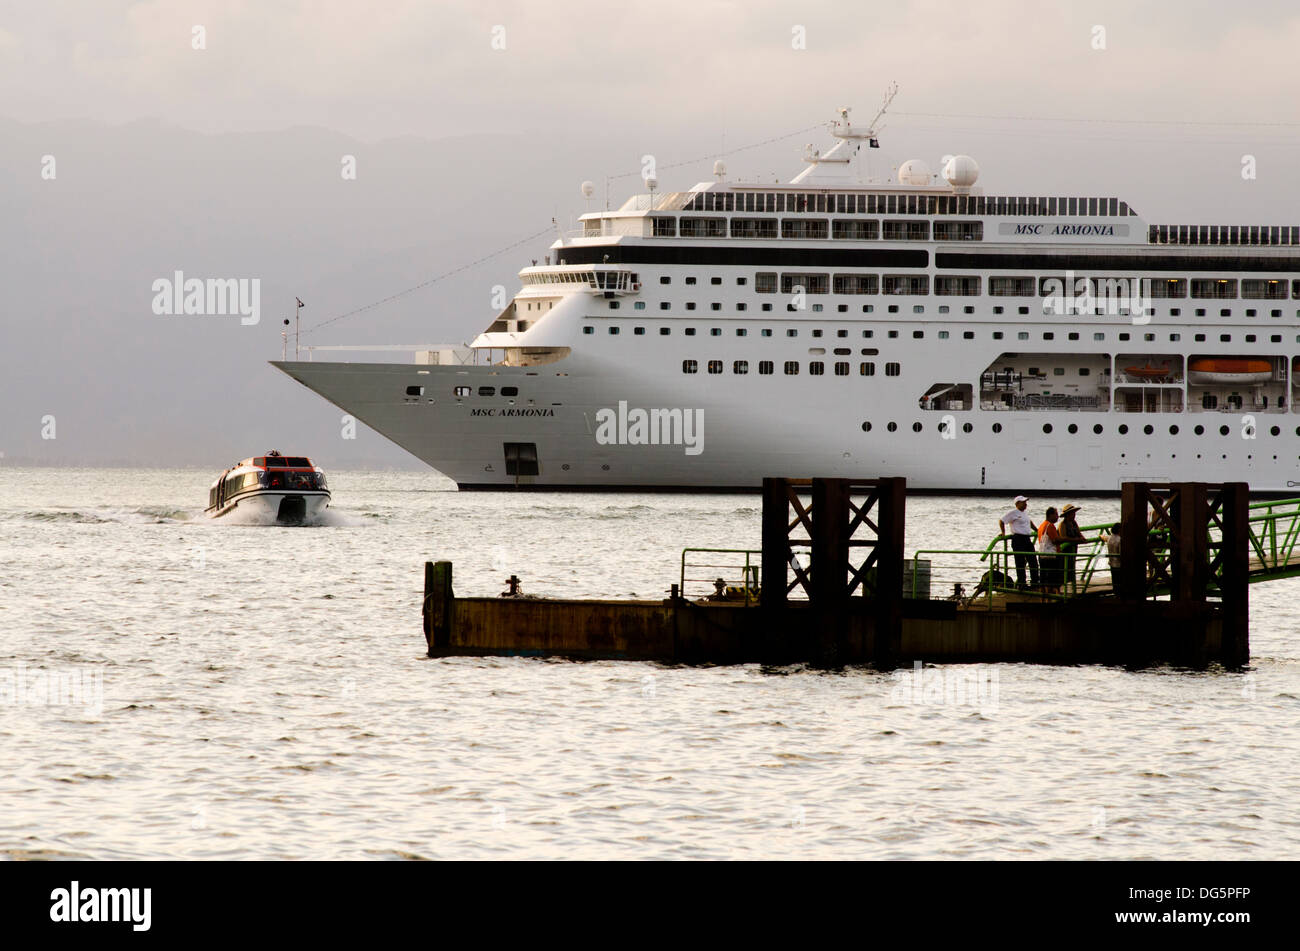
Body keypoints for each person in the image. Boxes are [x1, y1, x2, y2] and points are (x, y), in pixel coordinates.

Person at [998, 494, 1039, 590]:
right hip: (1018, 539)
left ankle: (1035, 582)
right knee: (1020, 562)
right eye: (1024, 502)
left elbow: (1030, 522)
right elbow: (1002, 521)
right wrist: (1003, 532)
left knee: (1033, 561)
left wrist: (1037, 530)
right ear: (1018, 503)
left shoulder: (1024, 513)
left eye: (1026, 502)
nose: (1025, 504)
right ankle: (1022, 583)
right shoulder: (1013, 513)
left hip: (1027, 539)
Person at [1058, 503, 1088, 590]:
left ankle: (1071, 587)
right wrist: (1077, 540)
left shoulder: (1074, 523)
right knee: (1064, 568)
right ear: (1067, 515)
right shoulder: (1062, 524)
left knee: (1072, 568)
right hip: (1065, 550)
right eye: (1072, 513)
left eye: (1074, 513)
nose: (1074, 515)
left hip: (1073, 549)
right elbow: (1063, 537)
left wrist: (1082, 538)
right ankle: (1062, 589)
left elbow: (1079, 532)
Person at [1036, 507, 1063, 594]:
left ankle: (1044, 597)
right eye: (1056, 514)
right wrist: (1065, 539)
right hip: (1050, 556)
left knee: (1044, 577)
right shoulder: (1050, 525)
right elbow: (1055, 540)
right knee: (1053, 577)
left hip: (1042, 554)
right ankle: (1054, 596)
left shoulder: (1041, 525)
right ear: (1051, 515)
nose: (1057, 517)